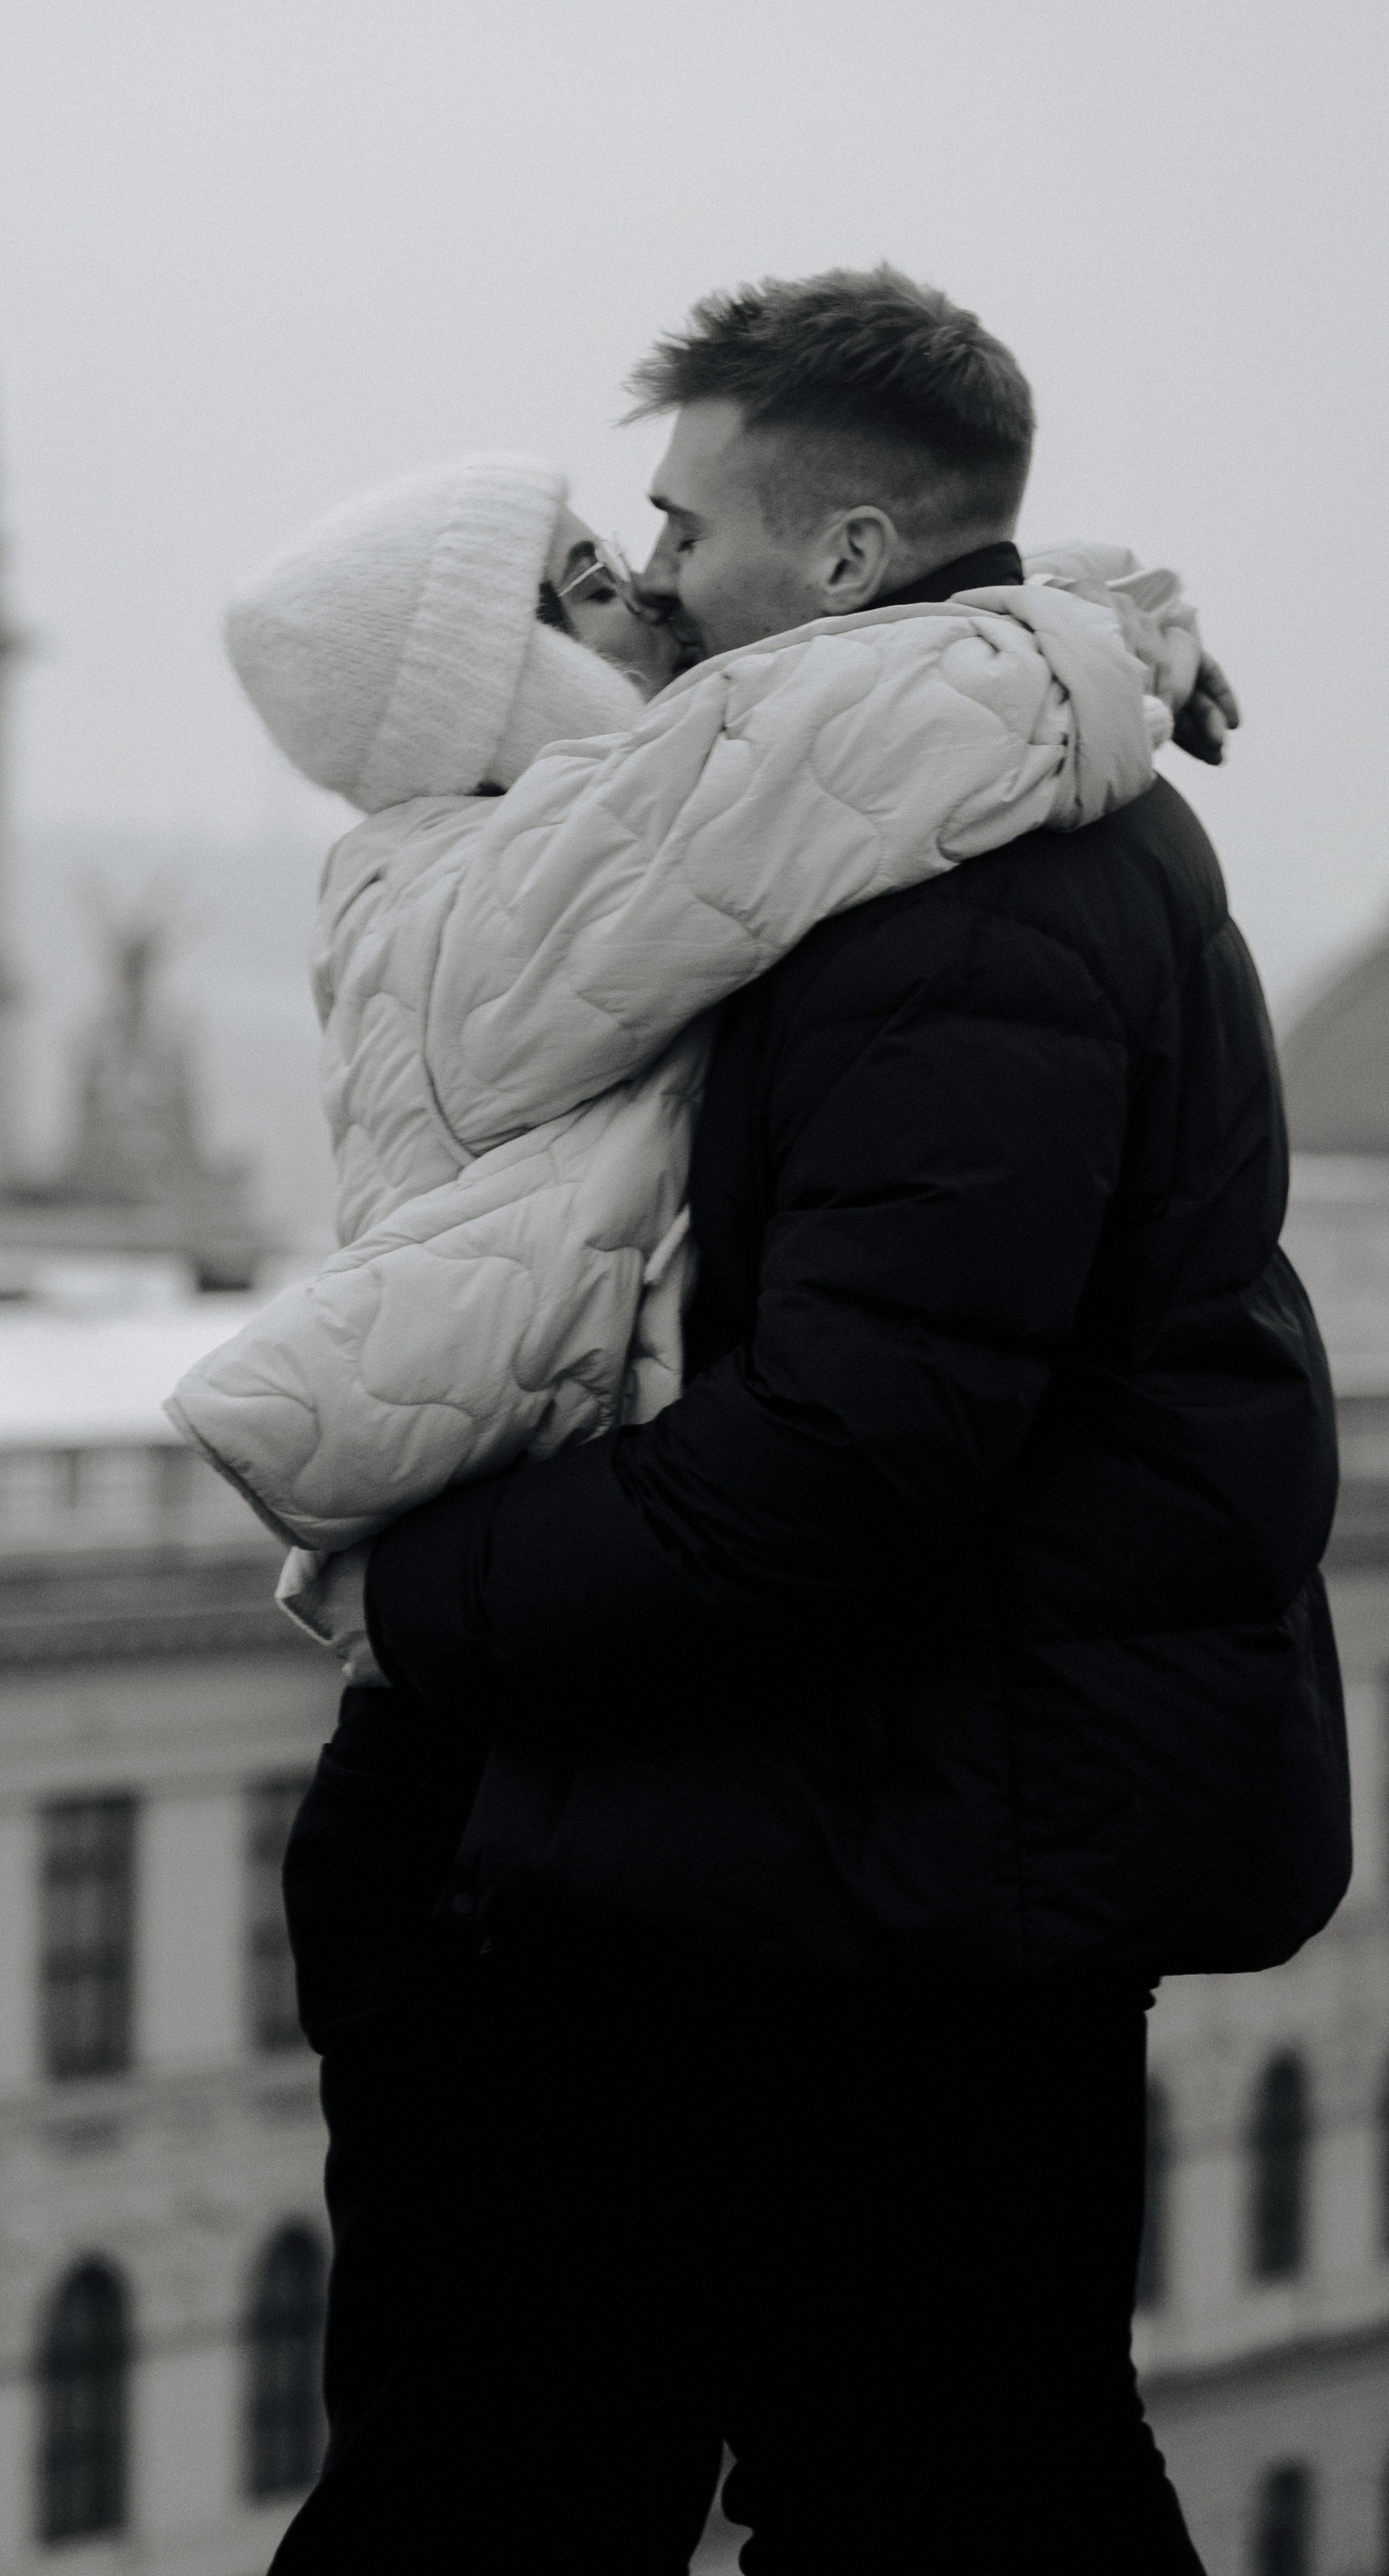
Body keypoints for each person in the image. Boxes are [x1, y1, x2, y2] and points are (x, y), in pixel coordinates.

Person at [226, 269, 1348, 2576]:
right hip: (882, 1810)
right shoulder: (831, 847)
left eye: (676, 531)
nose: (651, 586)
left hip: (897, 1821)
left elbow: (856, 1447)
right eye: (601, 564)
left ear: (842, 559)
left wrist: (429, 1609)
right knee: (932, 2485)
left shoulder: (945, 883)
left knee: (833, 2497)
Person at [174, 457, 1199, 1679]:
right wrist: (1093, 636)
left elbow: (817, 718)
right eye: (595, 578)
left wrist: (1094, 608)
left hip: (568, 1611)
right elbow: (868, 735)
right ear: (497, 682)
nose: (656, 593)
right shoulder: (515, 893)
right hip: (557, 1638)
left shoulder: (528, 856)